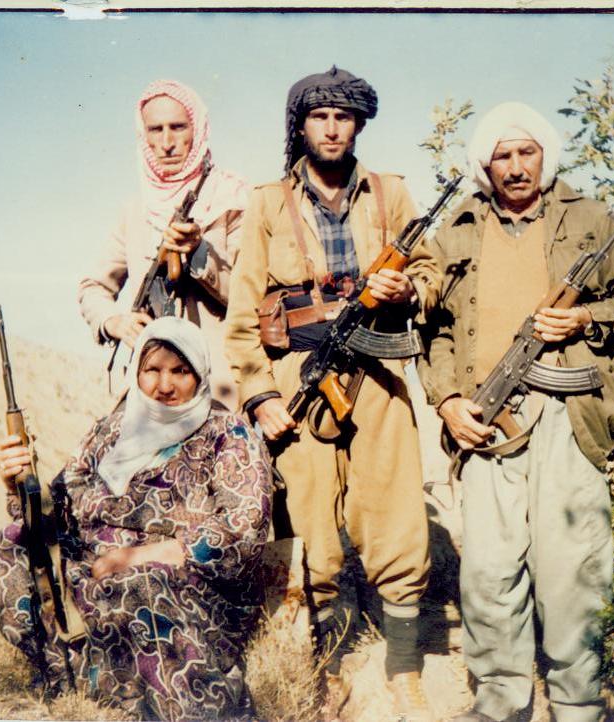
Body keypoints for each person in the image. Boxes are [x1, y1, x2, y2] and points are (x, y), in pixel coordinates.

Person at [418, 102, 614, 722]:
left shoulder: (591, 217)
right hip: (485, 418)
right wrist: (447, 401)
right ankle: (500, 701)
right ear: (486, 164)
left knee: (571, 572)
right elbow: (433, 329)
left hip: (567, 416)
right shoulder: (458, 228)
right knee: (488, 573)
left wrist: (585, 318)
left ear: (545, 156)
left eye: (527, 152)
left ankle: (578, 704)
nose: (516, 166)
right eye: (502, 155)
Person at [224, 66, 442, 719]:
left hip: (378, 371)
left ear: (357, 125)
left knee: (395, 514)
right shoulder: (268, 202)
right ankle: (322, 668)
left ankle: (404, 667)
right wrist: (261, 394)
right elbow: (242, 312)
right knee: (312, 522)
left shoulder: (390, 193)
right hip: (301, 373)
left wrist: (410, 289)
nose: (331, 127)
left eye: (343, 117)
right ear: (301, 126)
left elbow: (431, 270)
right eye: (319, 116)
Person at [0, 316, 273, 721]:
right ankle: (63, 675)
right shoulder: (109, 431)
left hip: (182, 586)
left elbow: (244, 528)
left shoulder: (227, 433)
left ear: (199, 374)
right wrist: (17, 483)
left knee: (139, 586)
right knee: (9, 546)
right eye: (152, 370)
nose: (164, 385)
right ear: (136, 372)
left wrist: (137, 557)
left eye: (180, 371)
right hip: (92, 575)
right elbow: (55, 514)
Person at [79, 79, 249, 410]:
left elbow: (249, 296)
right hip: (151, 392)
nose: (167, 142)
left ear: (197, 129)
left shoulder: (233, 197)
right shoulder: (135, 211)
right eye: (155, 130)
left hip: (217, 387)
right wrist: (114, 322)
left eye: (178, 127)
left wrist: (199, 255)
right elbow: (92, 288)